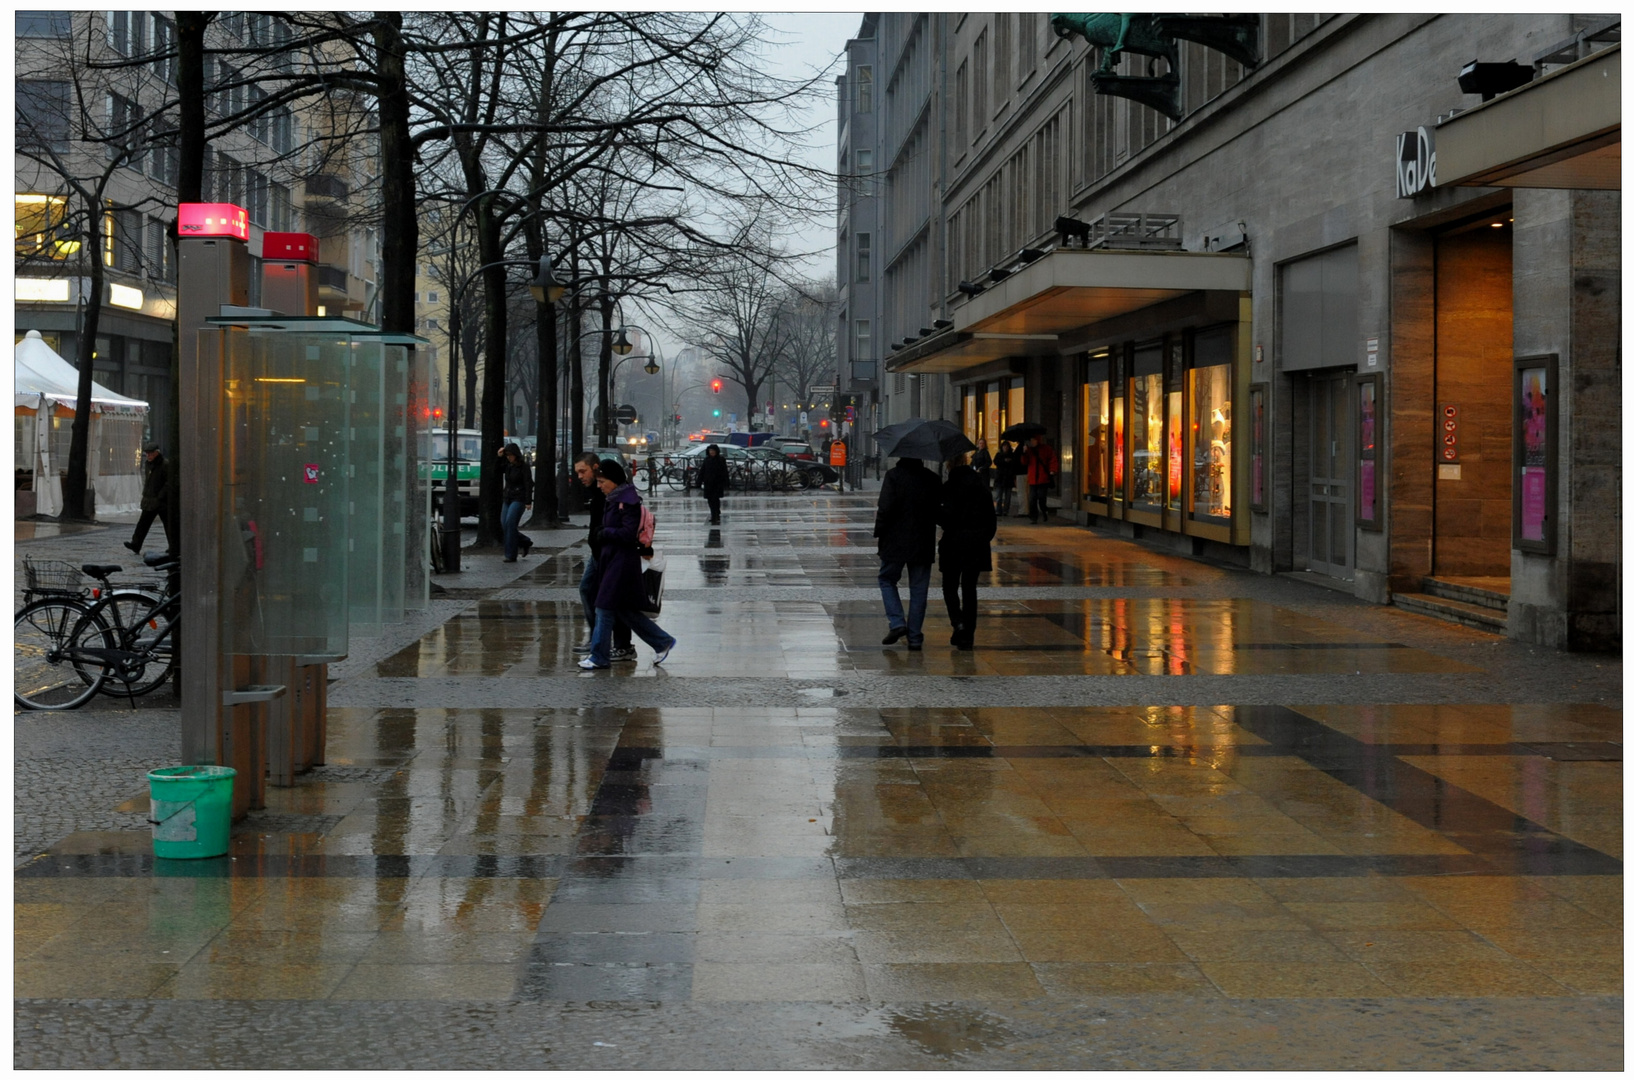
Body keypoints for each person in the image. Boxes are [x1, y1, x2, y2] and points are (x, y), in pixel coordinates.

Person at [579, 457, 676, 670]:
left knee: (604, 608)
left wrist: (604, 533)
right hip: (612, 561)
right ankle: (662, 641)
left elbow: (627, 533)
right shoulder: (614, 499)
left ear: (613, 480)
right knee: (623, 611)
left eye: (602, 481)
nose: (599, 486)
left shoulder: (627, 501)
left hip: (621, 563)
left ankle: (599, 656)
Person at [873, 455, 941, 651]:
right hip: (922, 541)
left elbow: (885, 508)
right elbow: (938, 511)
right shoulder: (932, 478)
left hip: (895, 541)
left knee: (886, 579)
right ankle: (915, 638)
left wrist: (879, 531)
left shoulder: (893, 476)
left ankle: (897, 623)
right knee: (919, 589)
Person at [573, 452, 633, 660]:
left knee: (608, 601)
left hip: (607, 554)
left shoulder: (609, 492)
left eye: (583, 471)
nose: (580, 476)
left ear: (596, 468)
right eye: (577, 472)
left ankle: (619, 644)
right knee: (592, 593)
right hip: (600, 552)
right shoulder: (596, 490)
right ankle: (600, 640)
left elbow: (623, 527)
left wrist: (603, 537)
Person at [938, 451, 998, 650]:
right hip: (976, 544)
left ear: (949, 465)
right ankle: (968, 635)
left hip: (954, 543)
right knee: (969, 588)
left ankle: (958, 623)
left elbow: (943, 518)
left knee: (950, 586)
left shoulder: (948, 487)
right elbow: (991, 519)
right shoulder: (980, 485)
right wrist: (982, 537)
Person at [125, 442, 174, 554]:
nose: (149, 456)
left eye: (151, 454)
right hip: (149, 500)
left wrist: (161, 496)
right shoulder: (148, 464)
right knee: (143, 524)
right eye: (147, 454)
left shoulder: (165, 465)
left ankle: (173, 546)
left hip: (161, 502)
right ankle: (136, 544)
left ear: (157, 453)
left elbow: (168, 482)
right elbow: (149, 482)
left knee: (168, 526)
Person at [499, 443, 534, 562]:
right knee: (506, 525)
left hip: (519, 498)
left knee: (510, 523)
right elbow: (497, 469)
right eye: (507, 455)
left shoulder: (523, 467)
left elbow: (528, 483)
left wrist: (528, 501)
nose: (508, 457)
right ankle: (524, 541)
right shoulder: (508, 466)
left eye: (510, 455)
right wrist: (499, 456)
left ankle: (510, 554)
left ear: (516, 455)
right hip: (508, 497)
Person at [1022, 433, 1058, 523]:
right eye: (1031, 440)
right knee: (1032, 499)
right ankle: (1034, 517)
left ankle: (1044, 510)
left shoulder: (1046, 449)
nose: (1032, 442)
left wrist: (1052, 470)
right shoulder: (1029, 450)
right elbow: (1024, 462)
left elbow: (1052, 459)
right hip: (1033, 479)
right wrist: (1024, 452)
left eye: (1033, 440)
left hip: (1043, 478)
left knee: (1042, 498)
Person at [698, 443, 728, 525]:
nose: (712, 452)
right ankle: (714, 513)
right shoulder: (707, 460)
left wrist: (726, 482)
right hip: (708, 483)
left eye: (713, 451)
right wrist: (699, 481)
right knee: (710, 499)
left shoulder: (721, 460)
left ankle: (715, 514)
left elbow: (724, 471)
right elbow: (702, 471)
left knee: (715, 499)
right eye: (710, 451)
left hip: (717, 483)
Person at [992, 440, 1021, 517]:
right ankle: (998, 510)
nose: (1005, 448)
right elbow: (995, 462)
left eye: (1007, 446)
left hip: (1008, 477)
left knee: (1008, 496)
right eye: (1004, 446)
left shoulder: (1012, 455)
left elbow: (1014, 464)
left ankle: (1005, 510)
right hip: (1000, 477)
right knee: (999, 496)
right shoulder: (999, 455)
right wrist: (1004, 461)